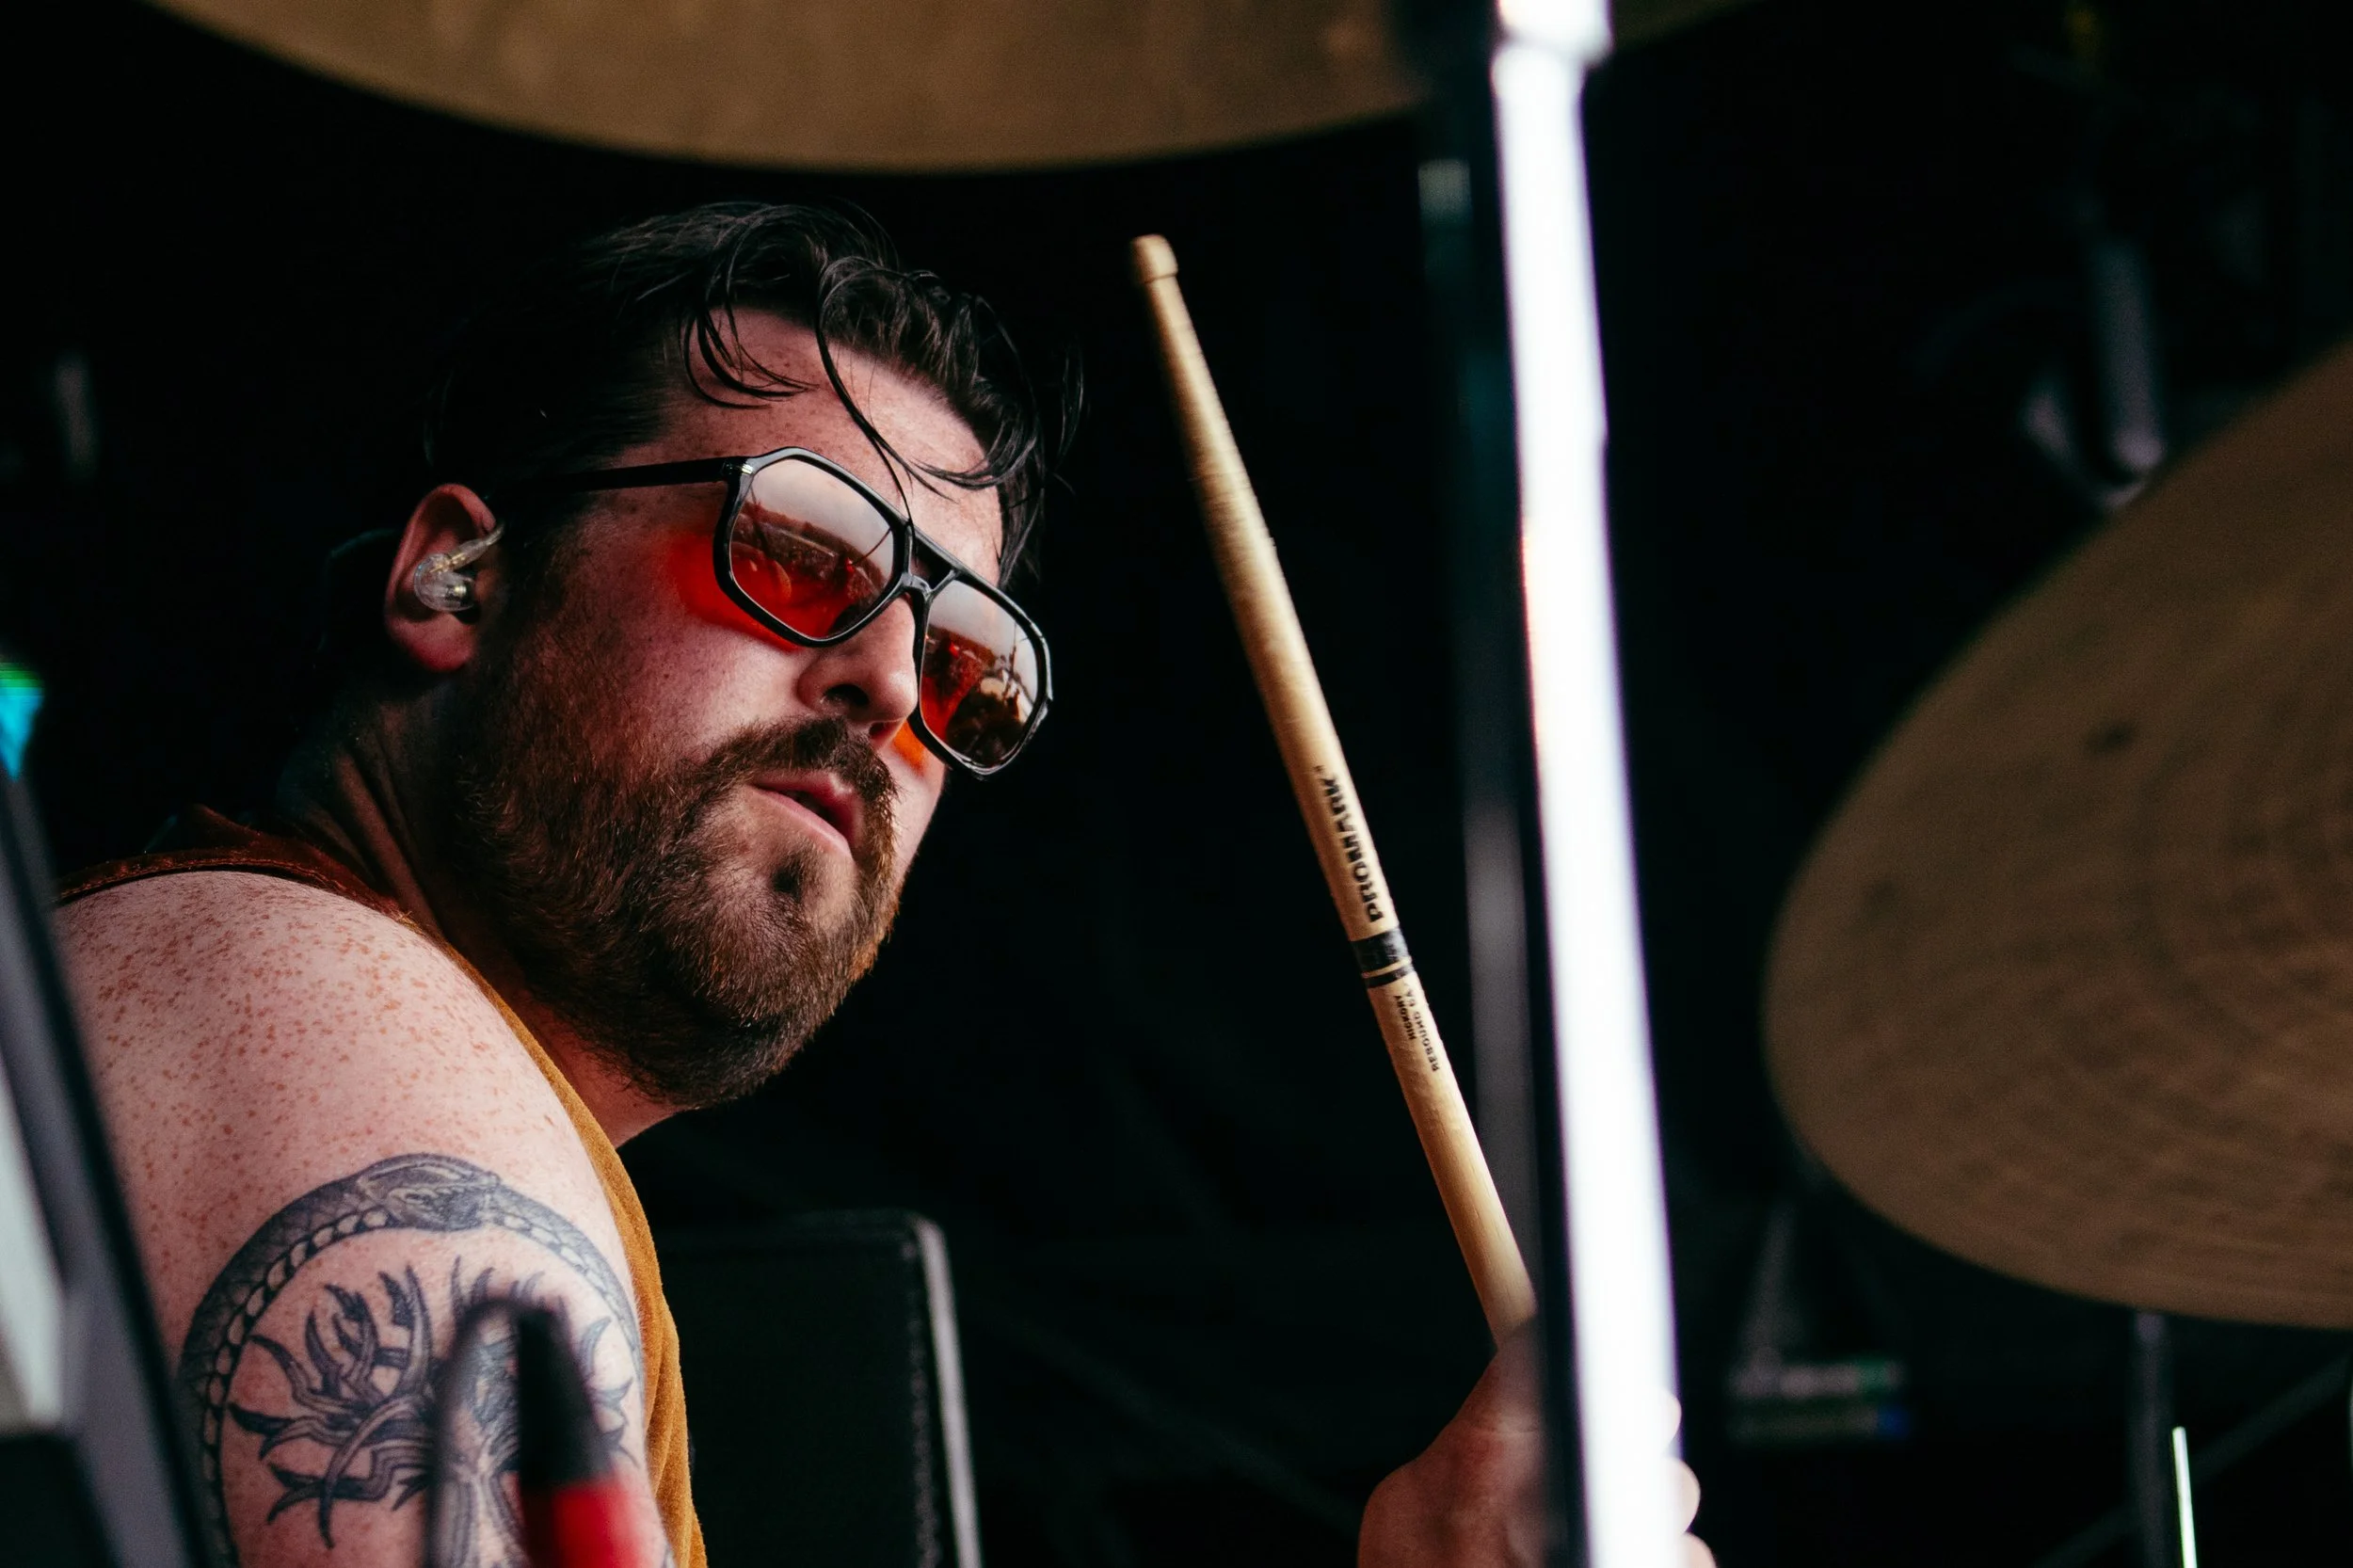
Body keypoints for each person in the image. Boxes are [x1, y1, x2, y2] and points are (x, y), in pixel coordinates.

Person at [54, 202, 1704, 1568]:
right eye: (802, 553)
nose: (895, 682)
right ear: (455, 573)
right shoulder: (331, 1010)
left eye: (968, 664)